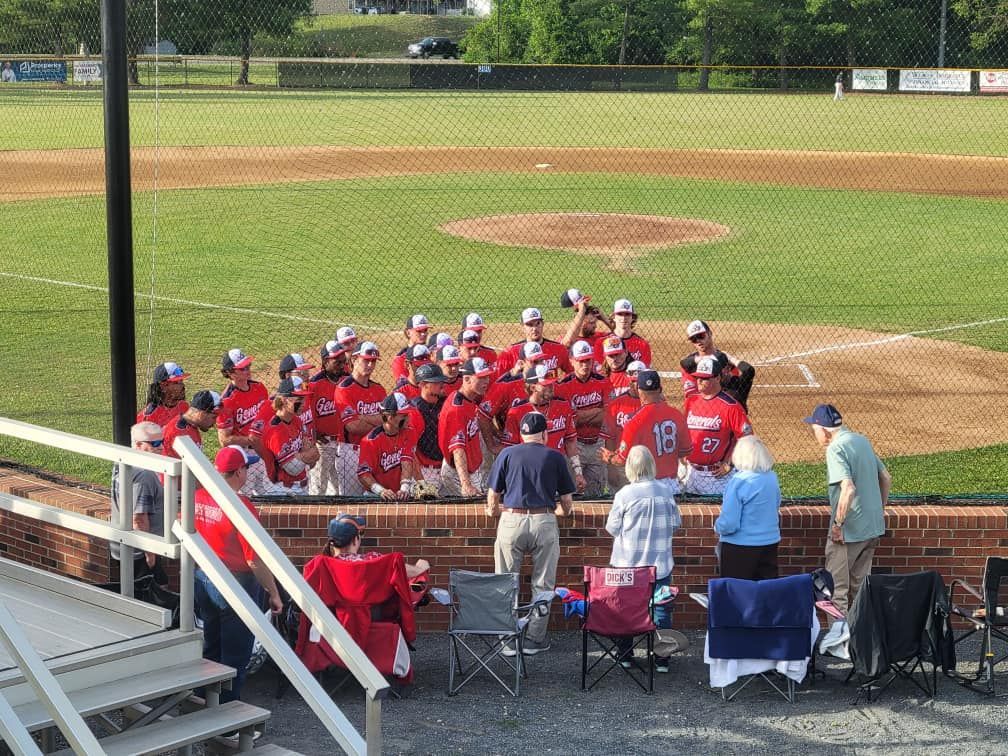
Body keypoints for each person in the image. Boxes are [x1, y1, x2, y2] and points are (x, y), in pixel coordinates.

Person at [193, 445, 282, 703]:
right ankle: (228, 720)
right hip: (236, 584)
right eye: (247, 467)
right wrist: (273, 592)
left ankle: (201, 702)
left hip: (203, 578)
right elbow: (254, 559)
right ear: (238, 472)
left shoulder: (199, 496)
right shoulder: (240, 506)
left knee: (211, 646)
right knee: (235, 654)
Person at [486, 411, 576, 656]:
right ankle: (534, 640)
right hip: (543, 519)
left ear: (522, 434)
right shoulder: (555, 457)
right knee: (543, 583)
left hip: (511, 520)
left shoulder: (507, 453)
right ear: (545, 434)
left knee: (504, 581)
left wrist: (494, 512)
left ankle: (507, 639)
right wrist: (559, 512)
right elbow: (567, 503)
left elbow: (493, 496)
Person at [804, 403, 891, 650]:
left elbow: (848, 488)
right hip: (872, 527)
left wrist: (838, 524)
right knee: (861, 588)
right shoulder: (860, 440)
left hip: (849, 531)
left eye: (815, 428)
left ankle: (838, 645)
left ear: (824, 429)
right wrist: (878, 509)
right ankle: (861, 641)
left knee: (836, 590)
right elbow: (886, 478)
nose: (815, 433)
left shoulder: (836, 448)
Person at [606, 446, 681, 672]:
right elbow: (676, 524)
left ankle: (626, 654)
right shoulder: (665, 491)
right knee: (661, 610)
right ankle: (662, 659)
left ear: (630, 467)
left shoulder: (624, 494)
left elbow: (612, 528)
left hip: (629, 564)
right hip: (660, 564)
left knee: (627, 609)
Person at [502, 364, 584, 493]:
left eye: (552, 383)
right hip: (528, 473)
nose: (551, 387)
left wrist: (578, 472)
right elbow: (510, 450)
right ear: (533, 386)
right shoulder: (517, 411)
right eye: (546, 384)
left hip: (557, 470)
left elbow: (570, 441)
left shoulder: (563, 406)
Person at [601, 371, 690, 487]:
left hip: (647, 486)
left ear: (639, 391)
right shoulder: (677, 415)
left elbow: (621, 460)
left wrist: (609, 458)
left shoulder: (634, 422)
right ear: (661, 389)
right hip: (671, 484)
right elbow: (686, 450)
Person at [681, 356, 753, 496]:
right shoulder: (691, 400)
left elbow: (748, 438)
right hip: (690, 471)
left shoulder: (731, 407)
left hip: (715, 476)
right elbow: (684, 430)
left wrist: (730, 463)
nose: (700, 381)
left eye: (705, 378)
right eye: (698, 377)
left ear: (718, 378)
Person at [714, 435, 781, 581]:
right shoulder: (772, 477)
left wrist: (717, 527)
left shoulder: (739, 481)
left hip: (740, 547)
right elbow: (776, 506)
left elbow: (729, 523)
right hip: (769, 543)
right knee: (766, 592)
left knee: (736, 593)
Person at [109, 421, 165, 582]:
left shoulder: (123, 462)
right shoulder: (144, 475)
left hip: (125, 546)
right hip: (139, 553)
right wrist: (151, 556)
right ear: (139, 444)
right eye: (155, 443)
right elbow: (139, 518)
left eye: (162, 441)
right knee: (147, 599)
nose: (160, 447)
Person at [555, 340, 609, 497]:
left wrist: (580, 415)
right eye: (581, 361)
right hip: (575, 444)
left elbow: (608, 416)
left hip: (598, 443)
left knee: (595, 494)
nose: (585, 365)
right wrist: (597, 411)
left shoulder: (602, 381)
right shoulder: (563, 386)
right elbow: (571, 421)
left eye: (588, 360)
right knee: (572, 492)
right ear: (571, 361)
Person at [335, 341, 386, 496]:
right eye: (366, 360)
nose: (370, 365)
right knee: (351, 501)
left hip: (374, 451)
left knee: (375, 498)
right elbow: (353, 427)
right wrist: (379, 421)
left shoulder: (379, 389)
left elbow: (388, 421)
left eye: (373, 361)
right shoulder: (344, 389)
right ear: (355, 360)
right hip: (351, 452)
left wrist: (364, 417)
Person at [438, 357, 495, 497]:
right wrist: (466, 484)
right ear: (467, 379)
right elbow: (458, 449)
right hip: (459, 472)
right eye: (481, 378)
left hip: (471, 468)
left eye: (487, 377)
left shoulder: (469, 398)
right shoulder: (457, 409)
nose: (486, 381)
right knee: (478, 510)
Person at [217, 349, 270, 492]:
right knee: (245, 497)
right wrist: (251, 440)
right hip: (244, 456)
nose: (248, 370)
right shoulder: (227, 401)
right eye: (243, 368)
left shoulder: (259, 388)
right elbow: (224, 440)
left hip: (264, 450)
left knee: (270, 494)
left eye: (248, 366)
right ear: (231, 373)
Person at [259, 377, 318, 494]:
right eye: (299, 399)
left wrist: (299, 456)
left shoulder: (297, 421)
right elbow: (293, 469)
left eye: (304, 398)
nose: (304, 403)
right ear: (285, 400)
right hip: (283, 490)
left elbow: (315, 458)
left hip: (302, 486)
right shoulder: (275, 430)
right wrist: (307, 454)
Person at [681, 320, 756, 411]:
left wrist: (730, 359)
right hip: (703, 410)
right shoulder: (689, 365)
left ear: (710, 333)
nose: (698, 341)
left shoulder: (724, 359)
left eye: (701, 336)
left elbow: (747, 372)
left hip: (728, 409)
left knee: (734, 395)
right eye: (694, 339)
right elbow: (691, 396)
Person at [324, 514, 430, 578]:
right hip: (370, 614)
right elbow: (411, 572)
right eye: (360, 534)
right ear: (355, 540)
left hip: (330, 615)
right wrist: (422, 566)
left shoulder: (322, 566)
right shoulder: (372, 560)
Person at [309, 340, 350, 495]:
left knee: (341, 489)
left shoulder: (348, 380)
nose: (341, 365)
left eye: (343, 361)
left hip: (343, 443)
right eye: (337, 361)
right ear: (326, 361)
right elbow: (307, 415)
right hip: (323, 443)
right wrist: (316, 435)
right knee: (319, 487)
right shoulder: (314, 384)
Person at [357, 394, 417, 500]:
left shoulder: (409, 433)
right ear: (390, 417)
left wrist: (404, 488)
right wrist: (381, 491)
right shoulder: (370, 441)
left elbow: (406, 462)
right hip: (375, 495)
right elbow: (363, 474)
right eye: (404, 415)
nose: (408, 418)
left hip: (398, 492)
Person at [406, 363, 449, 493]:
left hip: (447, 469)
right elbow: (409, 450)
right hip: (425, 471)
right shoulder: (414, 410)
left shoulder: (446, 404)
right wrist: (421, 481)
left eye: (442, 381)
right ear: (423, 385)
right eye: (436, 382)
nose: (442, 384)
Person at [495, 307, 573, 376]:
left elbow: (573, 373)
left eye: (537, 323)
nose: (534, 328)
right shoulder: (510, 352)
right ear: (523, 327)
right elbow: (497, 379)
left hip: (550, 391)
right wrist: (513, 373)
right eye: (530, 325)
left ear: (543, 324)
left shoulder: (558, 349)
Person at [162, 389, 221, 457]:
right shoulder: (181, 434)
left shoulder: (190, 426)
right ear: (201, 414)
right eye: (214, 417)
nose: (215, 422)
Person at [596, 299, 651, 366]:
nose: (624, 318)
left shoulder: (642, 345)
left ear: (632, 317)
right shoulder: (601, 343)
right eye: (620, 314)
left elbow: (644, 370)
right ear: (613, 317)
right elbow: (599, 371)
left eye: (627, 314)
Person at [137, 361, 190, 428]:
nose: (182, 385)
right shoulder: (149, 417)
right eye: (176, 383)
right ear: (163, 386)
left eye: (181, 381)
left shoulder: (184, 406)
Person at [391, 314, 431, 381]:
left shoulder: (431, 353)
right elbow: (404, 385)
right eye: (419, 331)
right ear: (408, 333)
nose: (423, 334)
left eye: (425, 330)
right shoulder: (400, 359)